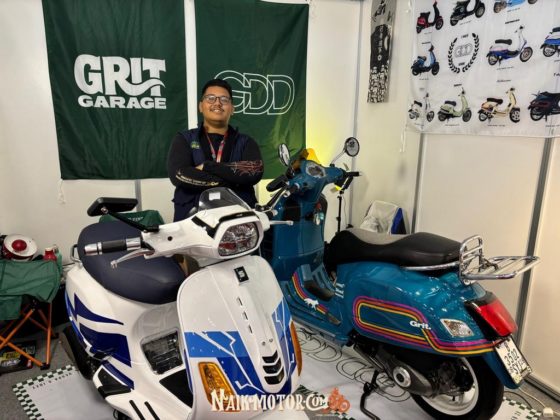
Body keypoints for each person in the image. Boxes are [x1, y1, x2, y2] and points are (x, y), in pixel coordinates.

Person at [167, 79, 264, 222]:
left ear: (232, 108)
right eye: (211, 98)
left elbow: (254, 171)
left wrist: (207, 167)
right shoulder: (184, 139)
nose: (217, 103)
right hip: (191, 220)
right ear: (201, 106)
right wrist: (233, 180)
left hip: (239, 222)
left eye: (224, 99)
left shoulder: (246, 142)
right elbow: (179, 175)